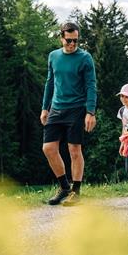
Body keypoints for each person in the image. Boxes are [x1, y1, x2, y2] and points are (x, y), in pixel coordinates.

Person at [40, 22, 97, 206]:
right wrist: (44, 108)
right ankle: (64, 187)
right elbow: (50, 83)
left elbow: (91, 85)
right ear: (61, 38)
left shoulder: (85, 58)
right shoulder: (53, 56)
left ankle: (76, 192)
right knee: (48, 148)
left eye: (75, 41)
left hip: (76, 109)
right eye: (69, 40)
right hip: (56, 108)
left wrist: (90, 112)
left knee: (74, 150)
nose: (72, 44)